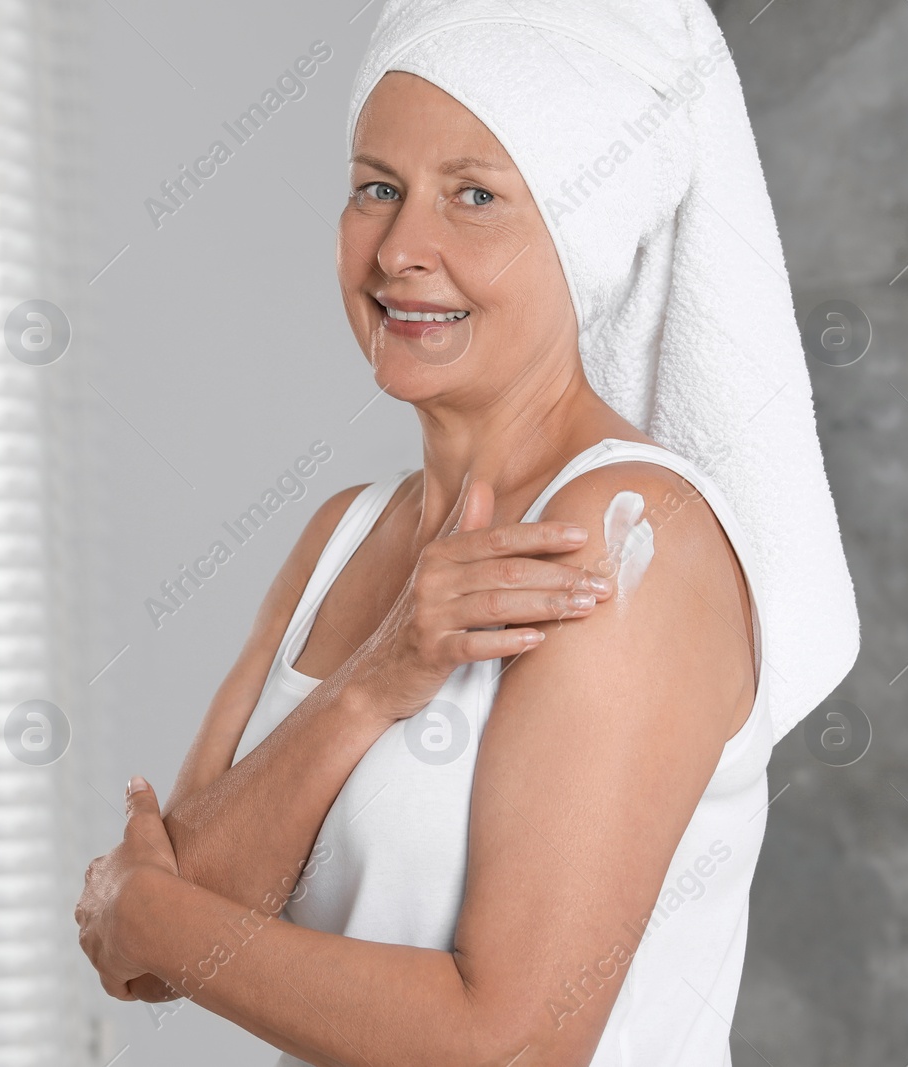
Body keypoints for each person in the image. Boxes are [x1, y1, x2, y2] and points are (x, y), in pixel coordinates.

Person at [76, 2, 860, 1063]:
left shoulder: (622, 537)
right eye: (376, 189)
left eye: (475, 196)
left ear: (583, 232)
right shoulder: (342, 536)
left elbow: (516, 1042)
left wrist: (152, 911)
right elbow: (151, 959)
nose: (403, 248)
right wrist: (373, 680)